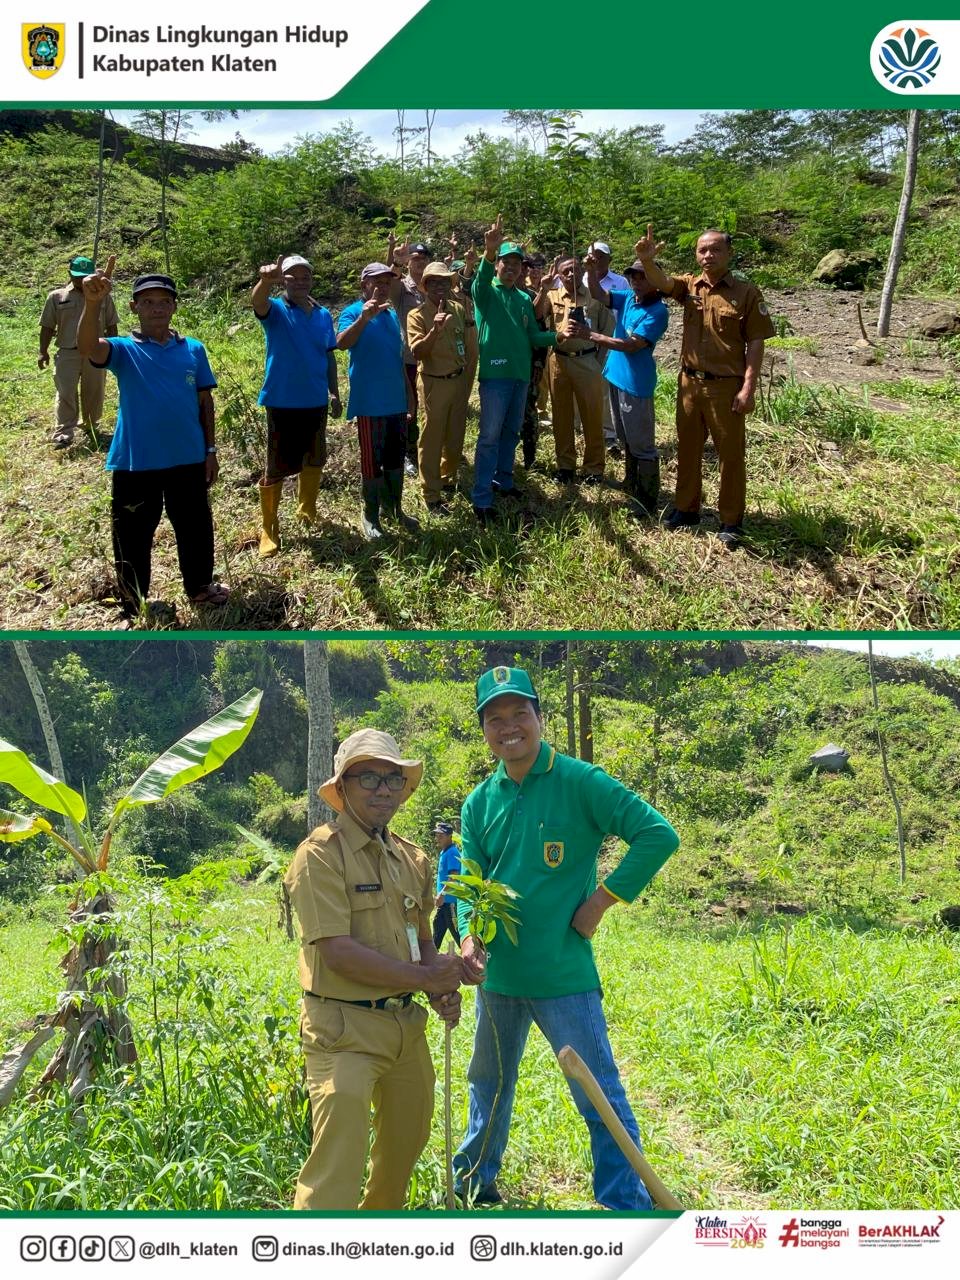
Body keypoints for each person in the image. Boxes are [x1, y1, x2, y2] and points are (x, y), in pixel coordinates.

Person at [453, 666, 679, 1209]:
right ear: (484, 730)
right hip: (499, 978)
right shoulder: (479, 802)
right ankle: (473, 1187)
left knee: (596, 1091)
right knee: (489, 1086)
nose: (509, 727)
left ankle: (625, 1202)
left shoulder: (582, 782)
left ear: (539, 717)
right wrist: (467, 936)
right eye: (495, 718)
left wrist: (600, 902)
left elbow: (657, 835)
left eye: (518, 713)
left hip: (564, 975)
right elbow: (470, 883)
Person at [284, 729, 463, 1210]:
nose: (383, 788)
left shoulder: (413, 858)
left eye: (392, 778)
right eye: (368, 778)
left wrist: (440, 984)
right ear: (341, 788)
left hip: (405, 1029)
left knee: (403, 1152)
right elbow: (337, 952)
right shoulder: (319, 855)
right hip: (343, 1032)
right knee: (335, 1172)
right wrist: (426, 978)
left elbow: (420, 936)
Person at [76, 258, 228, 613]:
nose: (156, 308)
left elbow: (205, 402)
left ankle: (200, 588)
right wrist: (93, 303)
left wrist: (211, 450)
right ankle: (134, 601)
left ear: (174, 306)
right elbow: (88, 347)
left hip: (189, 458)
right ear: (134, 307)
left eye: (163, 301)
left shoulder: (193, 349)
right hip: (136, 462)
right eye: (147, 302)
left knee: (195, 528)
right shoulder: (123, 349)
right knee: (131, 535)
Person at [634, 225, 775, 546]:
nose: (708, 255)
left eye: (715, 249)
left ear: (729, 253)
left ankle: (730, 520)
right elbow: (662, 283)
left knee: (730, 455)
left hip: (726, 387)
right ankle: (686, 508)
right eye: (702, 250)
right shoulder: (690, 286)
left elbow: (756, 342)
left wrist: (748, 388)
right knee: (688, 448)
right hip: (689, 383)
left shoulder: (746, 293)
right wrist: (647, 261)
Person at [251, 253, 342, 557]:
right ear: (284, 280)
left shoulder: (322, 315)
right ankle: (269, 528)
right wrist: (265, 281)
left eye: (306, 277)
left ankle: (307, 510)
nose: (301, 282)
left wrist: (334, 391)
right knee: (276, 465)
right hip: (282, 399)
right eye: (293, 276)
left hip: (315, 399)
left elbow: (328, 355)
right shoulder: (276, 309)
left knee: (315, 458)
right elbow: (258, 303)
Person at [469, 215, 558, 526]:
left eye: (516, 265)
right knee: (489, 436)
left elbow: (532, 335)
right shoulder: (486, 291)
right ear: (498, 266)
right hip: (495, 376)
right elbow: (477, 283)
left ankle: (503, 481)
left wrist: (560, 336)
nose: (510, 268)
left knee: (511, 432)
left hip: (521, 375)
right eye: (505, 263)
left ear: (522, 269)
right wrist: (488, 251)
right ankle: (481, 498)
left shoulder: (523, 298)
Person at [575, 255, 669, 516]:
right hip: (615, 376)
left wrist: (590, 335)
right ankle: (632, 485)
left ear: (657, 283)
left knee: (642, 443)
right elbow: (598, 293)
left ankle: (647, 501)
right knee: (626, 437)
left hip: (635, 383)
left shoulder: (658, 312)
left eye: (643, 277)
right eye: (634, 276)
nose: (636, 282)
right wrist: (592, 271)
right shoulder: (628, 298)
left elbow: (631, 345)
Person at [336, 264, 419, 541]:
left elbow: (398, 359)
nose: (382, 287)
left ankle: (394, 509)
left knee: (395, 459)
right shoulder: (351, 312)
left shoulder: (392, 315)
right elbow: (342, 343)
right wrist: (363, 318)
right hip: (370, 404)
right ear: (364, 285)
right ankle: (370, 516)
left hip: (396, 401)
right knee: (372, 463)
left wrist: (409, 395)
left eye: (386, 282)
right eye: (376, 282)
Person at [540, 258, 611, 485]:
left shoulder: (595, 297)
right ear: (559, 276)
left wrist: (597, 362)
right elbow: (538, 316)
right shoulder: (552, 296)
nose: (571, 274)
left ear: (582, 271)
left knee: (592, 415)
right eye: (565, 272)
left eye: (575, 270)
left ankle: (593, 468)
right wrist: (543, 289)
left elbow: (607, 330)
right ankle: (566, 466)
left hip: (587, 360)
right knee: (561, 416)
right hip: (558, 361)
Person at [406, 262, 469, 514]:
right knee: (431, 439)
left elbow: (464, 342)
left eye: (444, 281)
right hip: (433, 382)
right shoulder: (417, 315)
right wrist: (435, 329)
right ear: (426, 286)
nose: (440, 286)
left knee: (455, 435)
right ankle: (431, 494)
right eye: (434, 282)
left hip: (458, 380)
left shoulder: (458, 308)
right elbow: (418, 351)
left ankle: (447, 479)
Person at [39, 254, 119, 448]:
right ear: (69, 274)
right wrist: (43, 351)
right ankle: (64, 431)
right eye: (76, 276)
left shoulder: (103, 297)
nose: (79, 280)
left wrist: (112, 350)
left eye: (84, 276)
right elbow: (47, 326)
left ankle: (91, 425)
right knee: (65, 391)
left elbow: (111, 324)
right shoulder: (57, 297)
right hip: (67, 352)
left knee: (94, 390)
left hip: (94, 351)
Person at [386, 236, 431, 478]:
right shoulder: (402, 287)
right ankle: (407, 452)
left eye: (424, 258)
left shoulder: (434, 285)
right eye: (415, 258)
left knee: (430, 406)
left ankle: (429, 448)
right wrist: (397, 261)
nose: (420, 262)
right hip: (409, 357)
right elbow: (387, 283)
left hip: (433, 357)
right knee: (408, 407)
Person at [584, 242, 629, 459]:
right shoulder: (580, 277)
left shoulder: (621, 282)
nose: (597, 260)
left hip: (610, 338)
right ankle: (583, 425)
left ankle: (609, 432)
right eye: (593, 256)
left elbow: (627, 310)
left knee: (604, 385)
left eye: (601, 256)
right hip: (584, 338)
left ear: (609, 260)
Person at [519, 255, 550, 471]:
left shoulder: (532, 296)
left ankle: (530, 458)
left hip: (529, 364)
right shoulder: (497, 293)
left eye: (524, 268)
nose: (522, 272)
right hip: (505, 364)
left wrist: (539, 363)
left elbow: (540, 331)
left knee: (529, 412)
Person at [432, 820, 462, 950]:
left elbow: (453, 878)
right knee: (437, 930)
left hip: (450, 902)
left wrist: (442, 894)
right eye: (436, 835)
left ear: (450, 836)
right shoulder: (444, 852)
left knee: (457, 933)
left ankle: (474, 959)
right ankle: (429, 961)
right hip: (443, 902)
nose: (437, 839)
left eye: (441, 836)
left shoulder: (452, 853)